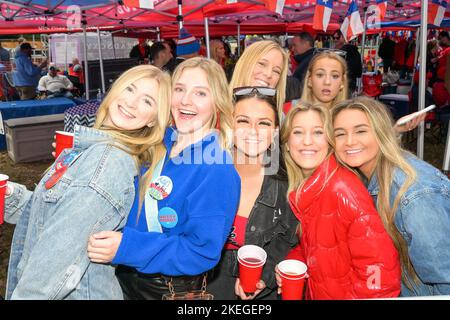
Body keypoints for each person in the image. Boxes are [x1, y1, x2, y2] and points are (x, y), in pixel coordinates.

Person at [2, 64, 171, 299]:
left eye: (147, 101)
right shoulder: (98, 150)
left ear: (154, 120)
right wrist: (10, 196)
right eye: (130, 89)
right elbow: (56, 216)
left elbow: (56, 257)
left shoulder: (108, 159)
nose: (131, 102)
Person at [86, 57, 241, 300]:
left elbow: (200, 252)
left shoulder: (216, 169)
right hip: (118, 277)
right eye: (179, 89)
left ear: (217, 102)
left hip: (164, 290)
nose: (185, 100)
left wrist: (128, 247)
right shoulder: (156, 141)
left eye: (200, 93)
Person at [277, 101, 401, 299]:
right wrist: (295, 261)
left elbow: (379, 276)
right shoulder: (310, 188)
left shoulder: (343, 191)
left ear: (330, 141)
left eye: (318, 132)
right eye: (298, 132)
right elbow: (323, 246)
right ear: (287, 144)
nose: (307, 141)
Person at [332, 96, 450, 296]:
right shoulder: (365, 176)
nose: (349, 141)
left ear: (381, 133)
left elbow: (445, 283)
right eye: (340, 134)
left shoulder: (414, 195)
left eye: (361, 131)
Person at [207, 87, 299, 300]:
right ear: (229, 125)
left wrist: (263, 277)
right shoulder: (207, 173)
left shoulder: (287, 184)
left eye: (264, 123)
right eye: (243, 121)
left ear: (275, 131)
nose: (253, 130)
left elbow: (287, 244)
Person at [300, 51, 426, 134]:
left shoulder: (351, 116)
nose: (327, 82)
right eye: (320, 74)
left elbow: (368, 147)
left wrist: (396, 129)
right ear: (310, 80)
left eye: (334, 76)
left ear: (342, 83)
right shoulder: (293, 114)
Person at [230, 40, 288, 123]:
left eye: (276, 71)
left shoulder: (280, 118)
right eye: (262, 64)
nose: (268, 74)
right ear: (245, 64)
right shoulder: (217, 109)